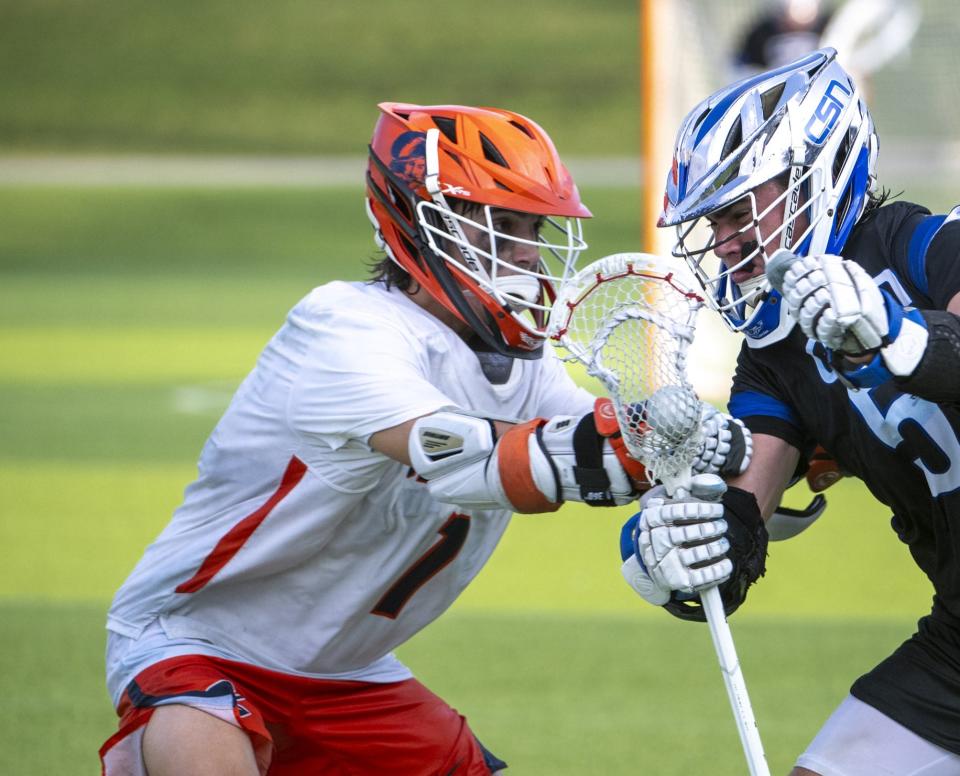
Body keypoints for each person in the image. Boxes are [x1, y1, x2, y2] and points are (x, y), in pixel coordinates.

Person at [98, 102, 751, 775]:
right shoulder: (343, 329)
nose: (527, 251)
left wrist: (724, 457)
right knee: (196, 721)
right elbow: (469, 459)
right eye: (501, 223)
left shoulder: (523, 364)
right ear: (418, 220)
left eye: (534, 225)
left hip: (346, 674)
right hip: (198, 642)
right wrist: (625, 446)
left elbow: (616, 446)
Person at [621, 47, 960, 774]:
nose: (724, 243)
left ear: (817, 173)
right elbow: (746, 510)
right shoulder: (773, 356)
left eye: (738, 211)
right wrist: (684, 552)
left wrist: (895, 336)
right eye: (713, 223)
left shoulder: (925, 246)